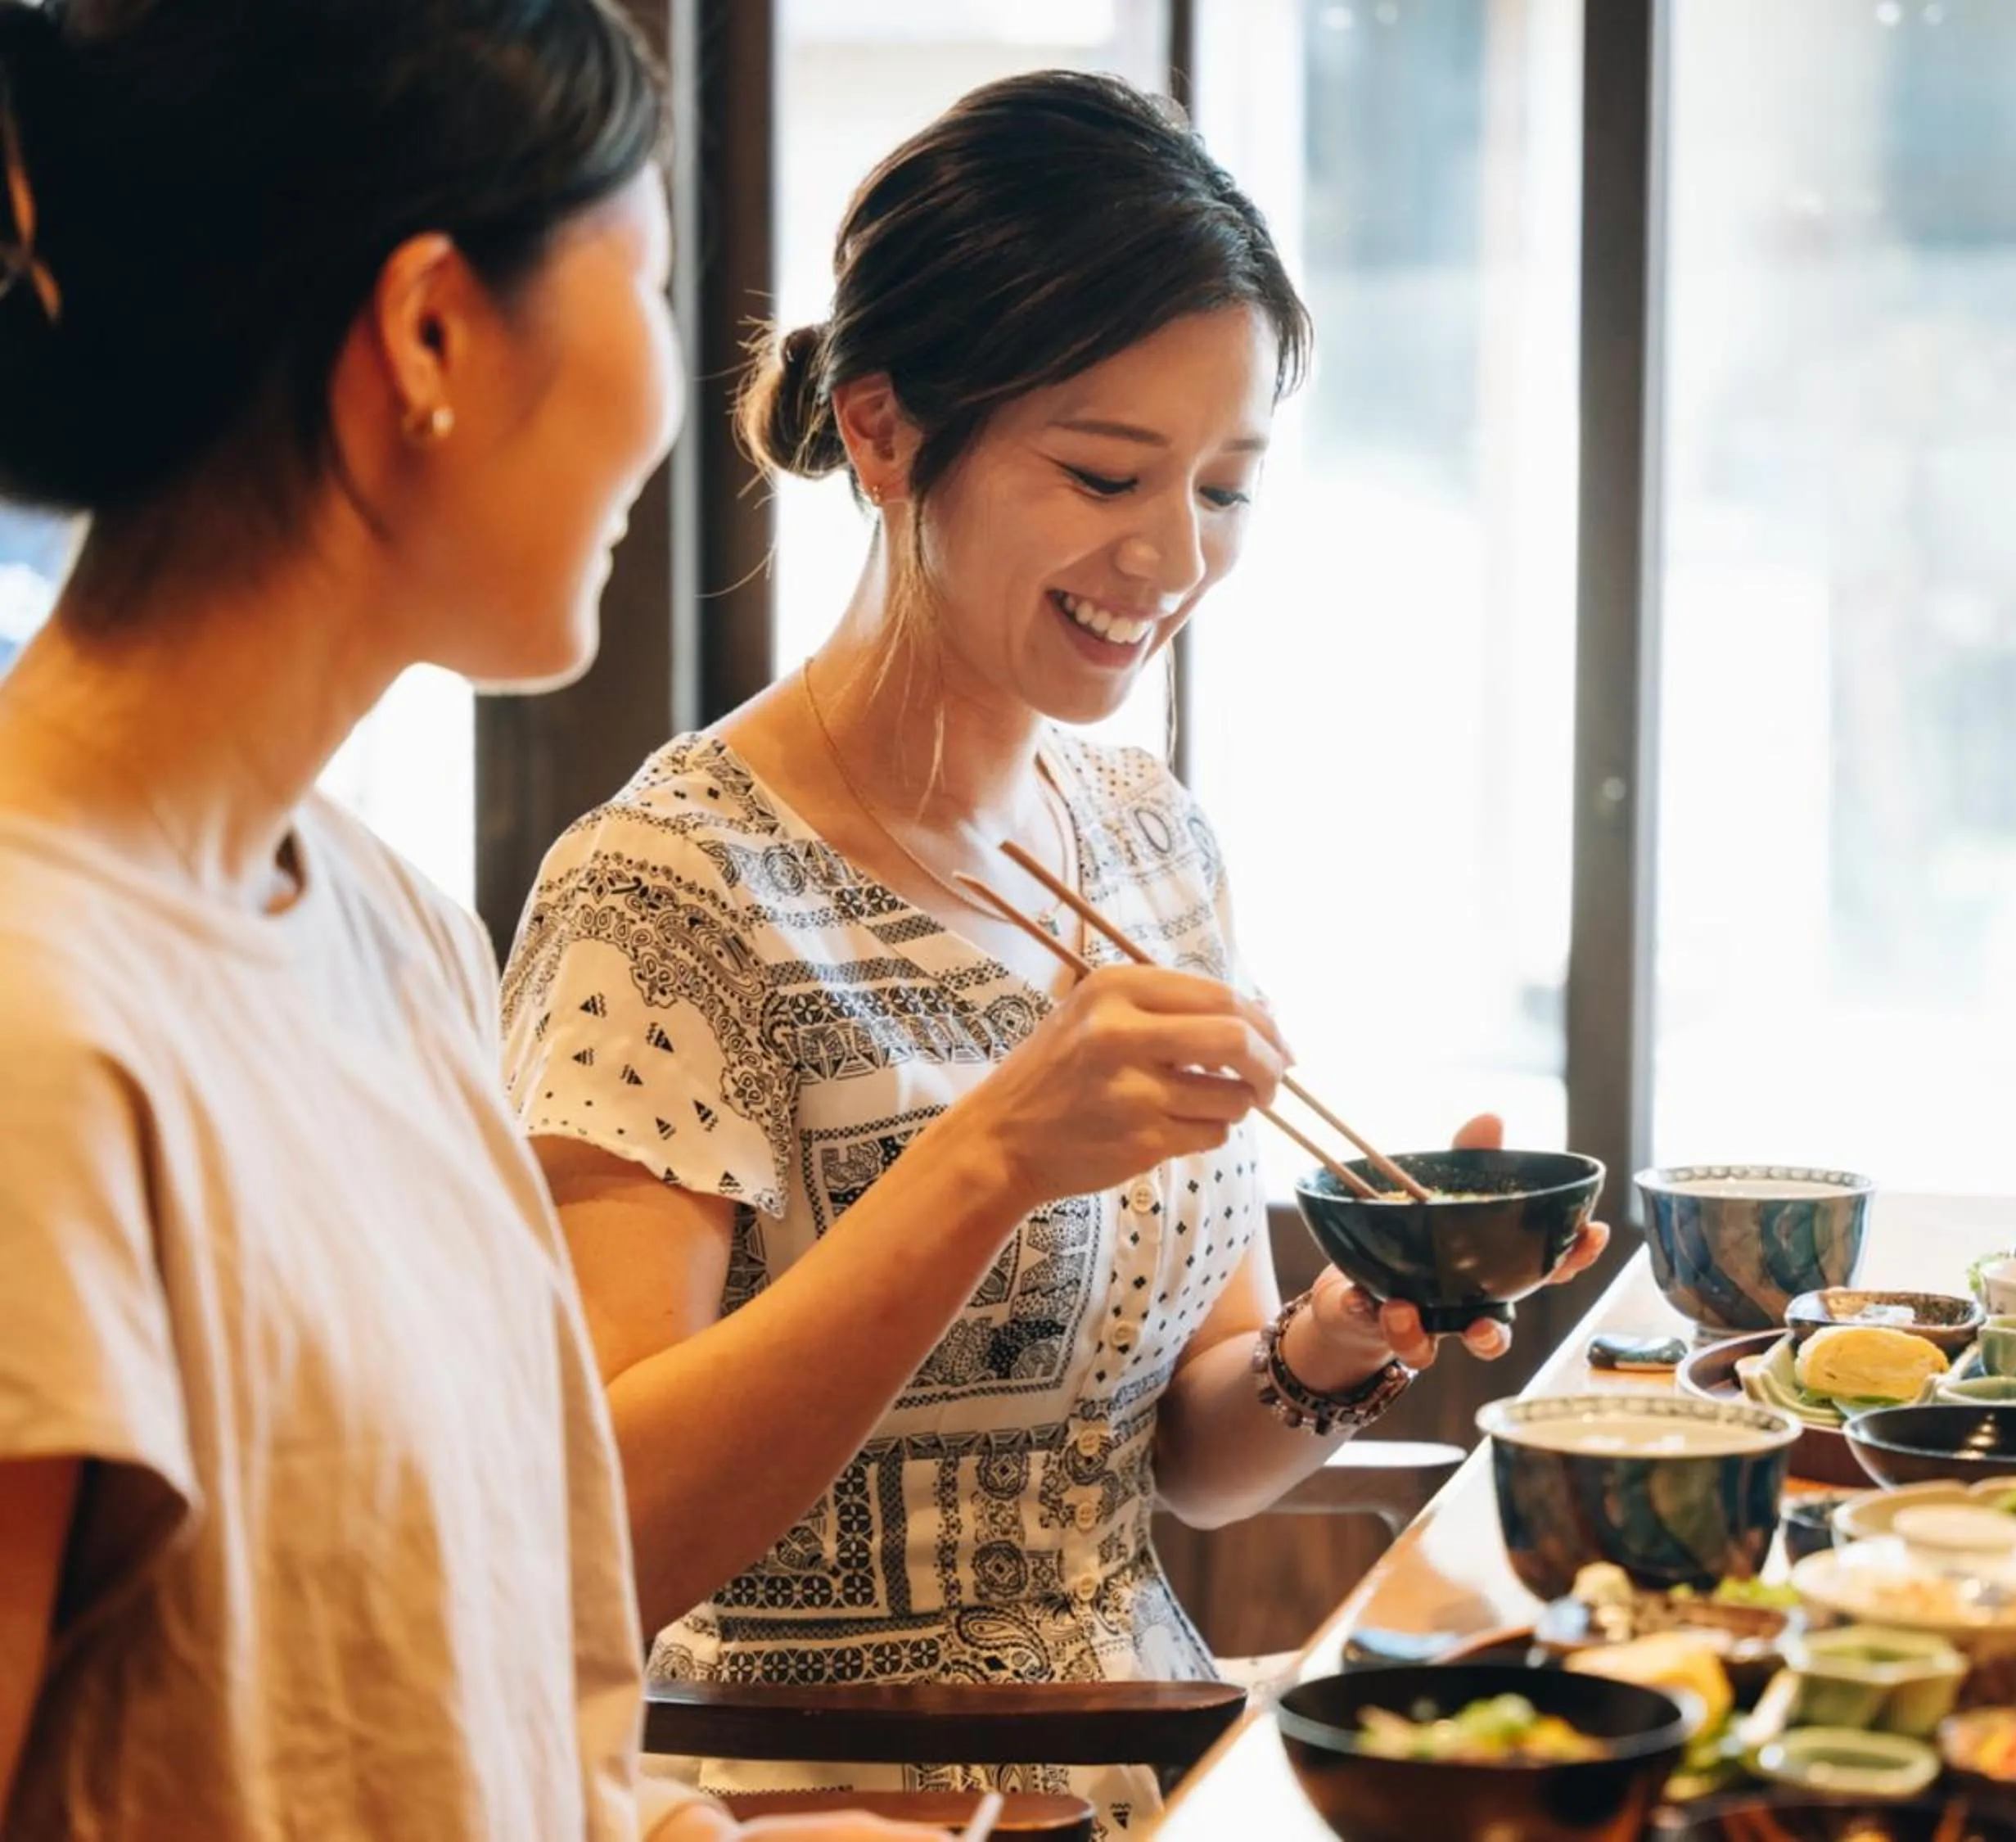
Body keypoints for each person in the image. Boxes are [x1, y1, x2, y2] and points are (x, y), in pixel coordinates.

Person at [500, 70, 1608, 1831]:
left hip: (1146, 1772)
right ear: (880, 431)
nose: (1170, 559)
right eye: (1104, 473)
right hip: (810, 1799)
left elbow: (1195, 1458)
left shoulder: (1147, 837)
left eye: (1226, 489)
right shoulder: (667, 890)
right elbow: (590, 1532)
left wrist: (1345, 1334)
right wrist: (995, 1154)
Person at [0, 2, 935, 1837]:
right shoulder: (42, 1030)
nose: (682, 395)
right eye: (653, 280)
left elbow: (450, 1713)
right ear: (430, 329)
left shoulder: (393, 928)